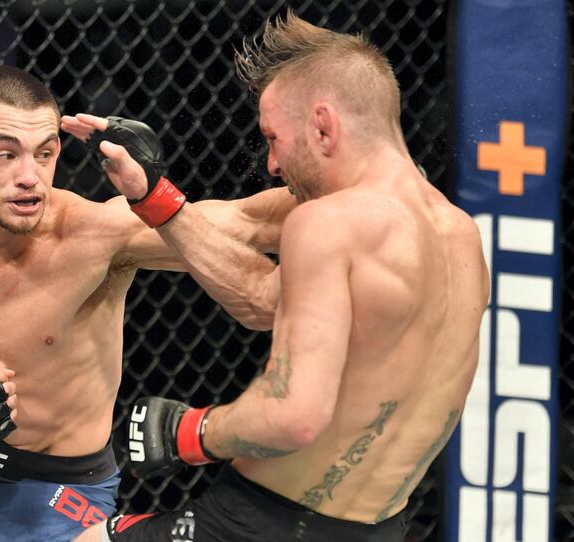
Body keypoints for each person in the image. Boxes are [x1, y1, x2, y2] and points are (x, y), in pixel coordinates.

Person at [72, 10, 490, 542]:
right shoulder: (461, 237)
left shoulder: (326, 223)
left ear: (323, 125)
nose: (270, 161)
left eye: (273, 137)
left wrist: (191, 431)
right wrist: (150, 193)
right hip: (379, 527)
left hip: (261, 522)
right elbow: (263, 297)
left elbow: (294, 416)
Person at [0, 65, 295, 542]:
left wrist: (372, 181)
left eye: (44, 154)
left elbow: (253, 222)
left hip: (58, 497)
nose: (29, 177)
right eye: (4, 154)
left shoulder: (95, 235)